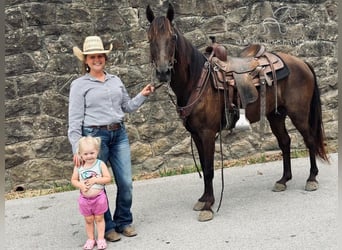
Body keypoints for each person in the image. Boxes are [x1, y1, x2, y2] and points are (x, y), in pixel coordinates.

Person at [68, 35, 155, 242]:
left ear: (105, 58)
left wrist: (142, 95)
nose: (97, 60)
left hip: (119, 134)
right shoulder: (79, 85)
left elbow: (127, 107)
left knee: (125, 182)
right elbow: (74, 120)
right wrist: (76, 150)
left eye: (100, 56)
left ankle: (124, 221)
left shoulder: (115, 80)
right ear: (86, 61)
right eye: (92, 57)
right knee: (98, 185)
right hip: (94, 138)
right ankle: (107, 226)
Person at [71, 136, 112, 250]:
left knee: (99, 218)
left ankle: (101, 238)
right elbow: (74, 180)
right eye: (86, 154)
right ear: (80, 154)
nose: (89, 156)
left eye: (92, 153)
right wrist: (81, 185)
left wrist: (95, 180)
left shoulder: (100, 164)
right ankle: (90, 239)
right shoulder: (79, 166)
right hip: (85, 200)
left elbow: (108, 178)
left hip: (99, 198)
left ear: (97, 152)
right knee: (88, 220)